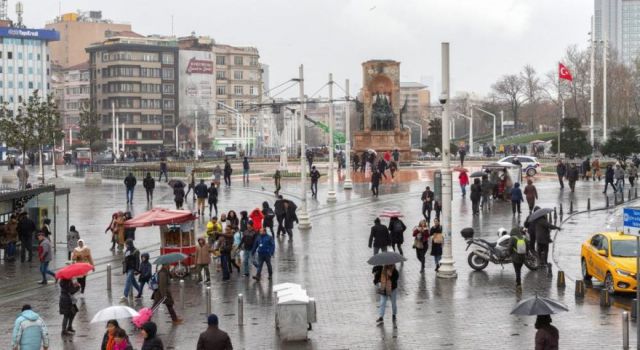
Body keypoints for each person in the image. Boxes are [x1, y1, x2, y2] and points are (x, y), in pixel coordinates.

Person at [509, 227, 528, 291]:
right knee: (519, 269)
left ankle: (518, 284)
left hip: (515, 257)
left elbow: (509, 248)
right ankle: (517, 282)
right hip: (522, 257)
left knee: (517, 271)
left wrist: (509, 254)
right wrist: (526, 254)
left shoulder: (512, 238)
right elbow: (527, 247)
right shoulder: (524, 238)